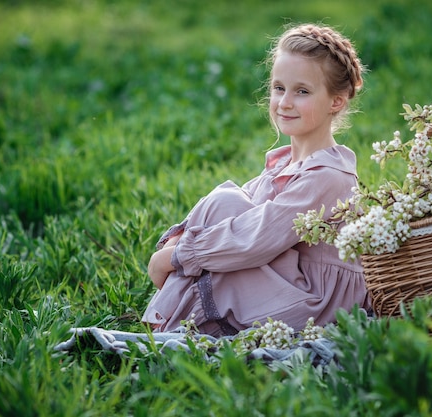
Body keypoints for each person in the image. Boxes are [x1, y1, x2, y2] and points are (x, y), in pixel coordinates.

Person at [143, 23, 370, 337]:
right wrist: (179, 244)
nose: (285, 102)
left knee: (222, 235)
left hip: (315, 305)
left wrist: (180, 256)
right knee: (225, 203)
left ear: (336, 101)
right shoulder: (286, 164)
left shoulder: (329, 177)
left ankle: (167, 320)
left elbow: (257, 239)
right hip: (285, 282)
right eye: (279, 88)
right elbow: (233, 218)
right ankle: (170, 316)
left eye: (302, 91)